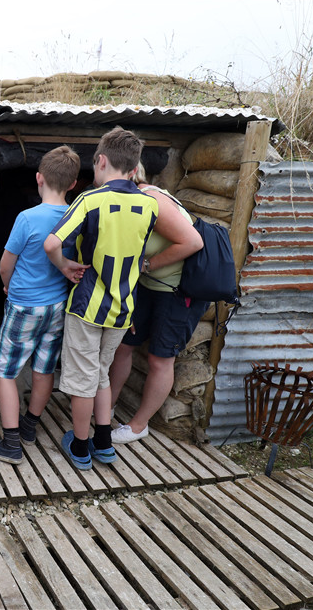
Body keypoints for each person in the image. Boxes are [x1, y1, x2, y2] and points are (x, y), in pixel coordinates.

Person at [43, 126, 158, 470]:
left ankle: (80, 446)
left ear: (102, 161)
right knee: (102, 375)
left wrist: (64, 265)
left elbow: (51, 243)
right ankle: (104, 443)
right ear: (135, 168)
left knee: (81, 382)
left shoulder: (90, 200)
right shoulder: (150, 205)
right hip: (123, 310)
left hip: (87, 307)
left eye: (94, 166)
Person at [0, 146, 86, 464]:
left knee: (7, 372)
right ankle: (30, 426)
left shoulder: (27, 218)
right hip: (57, 305)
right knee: (44, 367)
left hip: (24, 305)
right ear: (74, 183)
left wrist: (6, 284)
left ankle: (10, 444)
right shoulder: (75, 217)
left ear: (38, 178)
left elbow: (6, 263)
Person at [108, 163, 206, 443]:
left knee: (160, 358)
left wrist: (147, 264)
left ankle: (139, 425)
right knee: (124, 345)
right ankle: (107, 407)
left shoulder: (152, 199)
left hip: (177, 292)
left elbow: (193, 242)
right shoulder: (129, 203)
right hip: (148, 288)